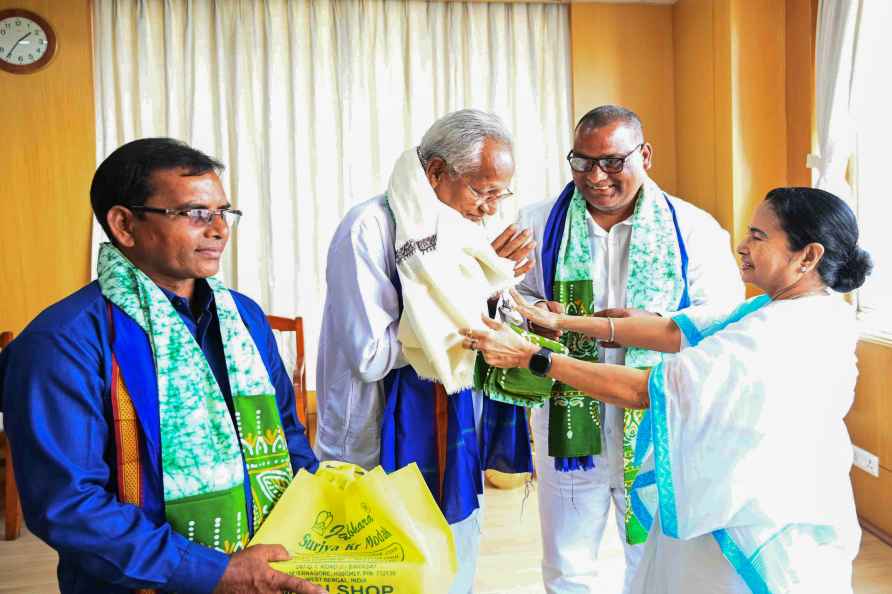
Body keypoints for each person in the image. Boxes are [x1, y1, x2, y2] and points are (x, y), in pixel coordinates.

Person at [463, 187, 872, 593]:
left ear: (809, 255)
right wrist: (562, 324)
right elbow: (673, 329)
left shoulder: (774, 331)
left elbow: (648, 390)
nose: (743, 247)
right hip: (753, 497)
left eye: (758, 237)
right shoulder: (790, 307)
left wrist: (535, 358)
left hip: (752, 521)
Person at [0, 138, 324, 594]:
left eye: (223, 212)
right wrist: (218, 573)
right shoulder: (64, 342)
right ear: (124, 225)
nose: (219, 230)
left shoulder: (244, 318)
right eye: (195, 213)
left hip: (268, 573)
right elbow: (69, 505)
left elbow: (288, 440)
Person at [514, 104, 743, 593]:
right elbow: (509, 301)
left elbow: (723, 319)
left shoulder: (694, 229)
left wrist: (658, 328)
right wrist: (537, 315)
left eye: (612, 162)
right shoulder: (537, 224)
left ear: (646, 154)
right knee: (566, 565)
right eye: (582, 161)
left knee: (654, 565)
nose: (596, 176)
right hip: (570, 422)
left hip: (658, 425)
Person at [315, 109, 536, 594]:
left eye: (502, 193)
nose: (491, 209)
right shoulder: (369, 229)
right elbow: (371, 355)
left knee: (452, 572)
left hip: (454, 435)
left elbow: (480, 332)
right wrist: (472, 295)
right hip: (373, 446)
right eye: (484, 190)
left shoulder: (462, 231)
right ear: (436, 172)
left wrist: (498, 293)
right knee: (385, 579)